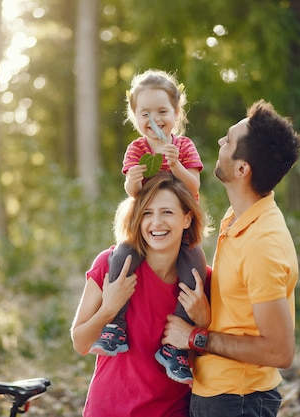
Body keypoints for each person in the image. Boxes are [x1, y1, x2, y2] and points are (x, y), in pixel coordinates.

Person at [162, 99, 300, 417]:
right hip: (217, 394)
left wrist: (196, 337)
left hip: (237, 400)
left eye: (228, 140)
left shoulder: (262, 244)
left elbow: (280, 350)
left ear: (242, 169)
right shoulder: (239, 217)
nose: (219, 142)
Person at [89, 69, 206, 385]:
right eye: (145, 113)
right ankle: (116, 325)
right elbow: (132, 193)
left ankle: (173, 349)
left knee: (195, 271)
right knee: (121, 258)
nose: (154, 119)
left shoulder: (183, 146)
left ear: (176, 113)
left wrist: (177, 165)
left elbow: (194, 185)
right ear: (135, 117)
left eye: (162, 111)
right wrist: (132, 181)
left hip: (180, 229)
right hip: (145, 227)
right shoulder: (137, 150)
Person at [71, 174, 212, 417]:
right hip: (106, 410)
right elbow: (81, 343)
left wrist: (202, 321)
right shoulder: (109, 265)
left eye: (167, 212)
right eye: (147, 213)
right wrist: (108, 308)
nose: (156, 222)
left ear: (187, 218)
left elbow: (203, 361)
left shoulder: (202, 282)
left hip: (170, 411)